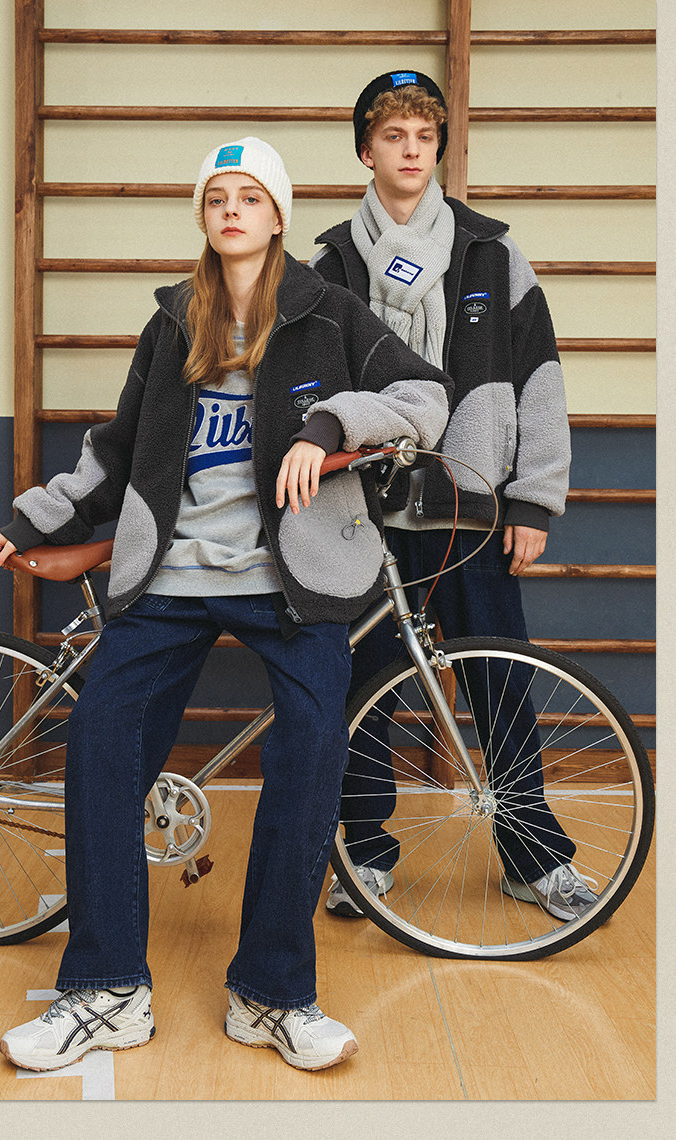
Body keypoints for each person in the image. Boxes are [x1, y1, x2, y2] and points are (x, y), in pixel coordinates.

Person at [0, 137, 452, 1073]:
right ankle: (106, 991)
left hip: (293, 583)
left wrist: (330, 425)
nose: (232, 210)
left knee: (312, 753)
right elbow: (117, 451)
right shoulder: (173, 325)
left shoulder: (329, 313)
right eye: (216, 198)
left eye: (249, 197)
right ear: (204, 217)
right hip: (170, 579)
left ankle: (271, 995)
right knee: (100, 743)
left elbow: (424, 396)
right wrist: (35, 518)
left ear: (277, 217)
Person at [310, 71, 599, 922]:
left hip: (469, 507)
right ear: (366, 151)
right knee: (364, 687)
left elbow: (540, 380)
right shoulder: (330, 264)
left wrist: (534, 501)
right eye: (392, 136)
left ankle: (533, 859)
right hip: (361, 511)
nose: (410, 151)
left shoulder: (492, 253)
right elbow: (311, 387)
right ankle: (362, 857)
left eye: (424, 137)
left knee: (499, 681)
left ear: (438, 148)